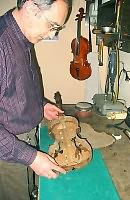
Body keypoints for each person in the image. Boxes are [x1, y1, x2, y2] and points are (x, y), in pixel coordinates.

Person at [0, 0, 69, 199]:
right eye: (52, 25)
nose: (51, 34)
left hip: (25, 141)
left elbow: (18, 85)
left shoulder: (23, 36)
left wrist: (41, 104)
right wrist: (30, 157)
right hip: (8, 152)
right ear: (31, 8)